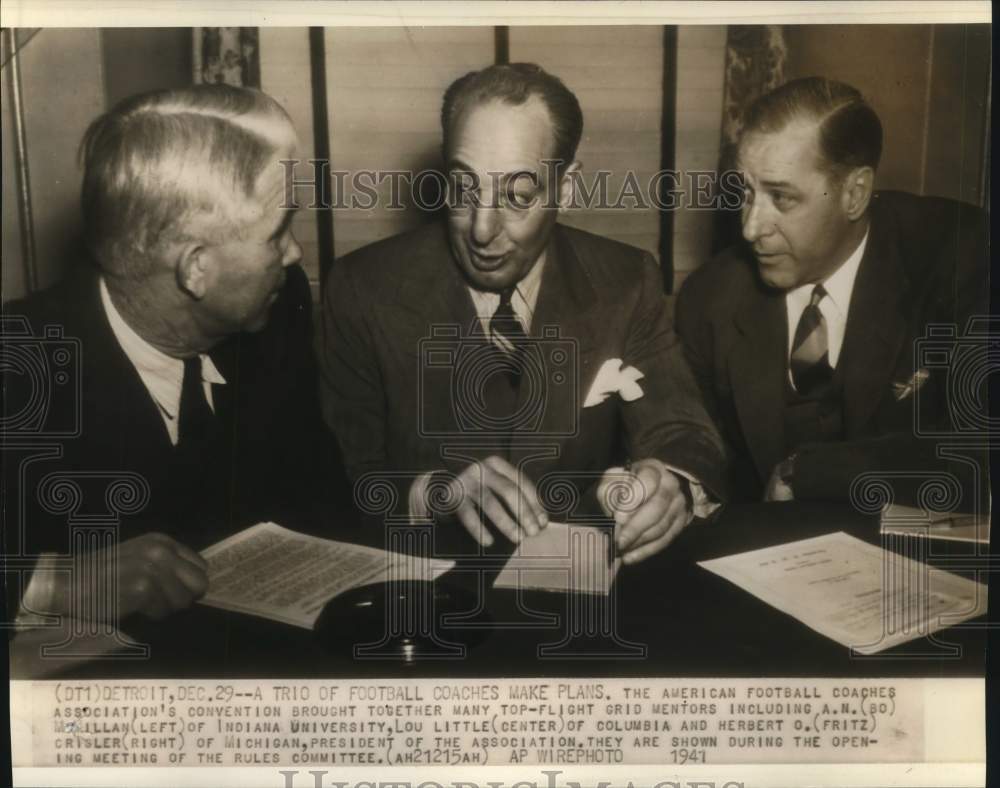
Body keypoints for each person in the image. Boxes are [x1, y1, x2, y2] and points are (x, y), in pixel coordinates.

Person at [321, 63, 726, 564]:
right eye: (464, 189)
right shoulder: (362, 289)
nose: (483, 230)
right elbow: (343, 479)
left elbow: (681, 432)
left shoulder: (627, 281)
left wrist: (670, 483)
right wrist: (431, 493)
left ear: (567, 187)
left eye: (517, 195)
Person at [2, 85, 339, 625]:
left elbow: (319, 498)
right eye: (278, 232)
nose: (295, 254)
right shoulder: (16, 367)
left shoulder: (279, 306)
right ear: (195, 269)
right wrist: (46, 584)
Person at [676, 77, 988, 506]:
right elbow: (694, 452)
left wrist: (815, 474)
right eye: (745, 193)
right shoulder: (709, 299)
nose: (750, 228)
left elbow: (982, 446)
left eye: (782, 198)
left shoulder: (963, 257)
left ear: (854, 194)